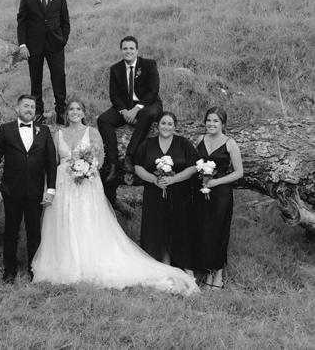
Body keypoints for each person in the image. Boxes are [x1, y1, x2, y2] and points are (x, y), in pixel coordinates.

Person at [32, 101, 198, 295]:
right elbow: (52, 162)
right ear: (66, 113)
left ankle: (88, 262)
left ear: (84, 113)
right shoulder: (58, 134)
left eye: (78, 109)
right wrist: (50, 188)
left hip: (87, 184)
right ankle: (66, 262)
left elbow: (100, 159)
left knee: (86, 221)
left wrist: (87, 168)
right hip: (63, 184)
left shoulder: (92, 132)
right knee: (65, 221)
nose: (75, 112)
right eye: (71, 109)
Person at [0, 94, 57, 283]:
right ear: (17, 109)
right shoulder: (6, 129)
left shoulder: (44, 131)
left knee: (34, 232)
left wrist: (51, 190)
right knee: (11, 231)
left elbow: (51, 163)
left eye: (32, 107)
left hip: (36, 192)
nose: (29, 109)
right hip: (11, 190)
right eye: (26, 106)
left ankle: (34, 270)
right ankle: (9, 271)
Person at [134, 112, 198, 275]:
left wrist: (174, 179)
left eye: (170, 124)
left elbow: (193, 167)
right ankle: (162, 266)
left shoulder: (183, 143)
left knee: (179, 229)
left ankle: (185, 267)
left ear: (175, 126)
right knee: (156, 230)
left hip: (179, 195)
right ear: (157, 125)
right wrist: (153, 180)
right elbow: (138, 166)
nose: (166, 127)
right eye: (163, 123)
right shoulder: (148, 143)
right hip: (154, 195)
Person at [97, 36, 162, 183]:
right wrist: (124, 111)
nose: (128, 51)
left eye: (131, 48)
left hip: (148, 104)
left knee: (147, 114)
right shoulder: (116, 69)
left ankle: (129, 156)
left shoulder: (149, 64)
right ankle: (113, 164)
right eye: (125, 48)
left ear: (137, 50)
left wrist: (136, 109)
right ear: (121, 50)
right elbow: (114, 95)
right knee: (103, 120)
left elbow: (153, 91)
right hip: (125, 106)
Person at [194, 107, 243, 289]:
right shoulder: (199, 139)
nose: (211, 124)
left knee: (219, 232)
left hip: (221, 193)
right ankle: (207, 272)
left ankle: (219, 275)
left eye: (215, 121)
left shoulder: (230, 143)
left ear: (223, 123)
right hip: (201, 191)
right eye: (208, 120)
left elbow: (239, 172)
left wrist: (216, 182)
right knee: (203, 231)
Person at [17, 0, 70, 125]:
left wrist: (62, 40)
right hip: (34, 46)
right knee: (36, 80)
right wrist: (23, 45)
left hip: (55, 45)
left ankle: (61, 112)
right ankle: (38, 113)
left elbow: (65, 21)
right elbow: (22, 23)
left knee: (59, 77)